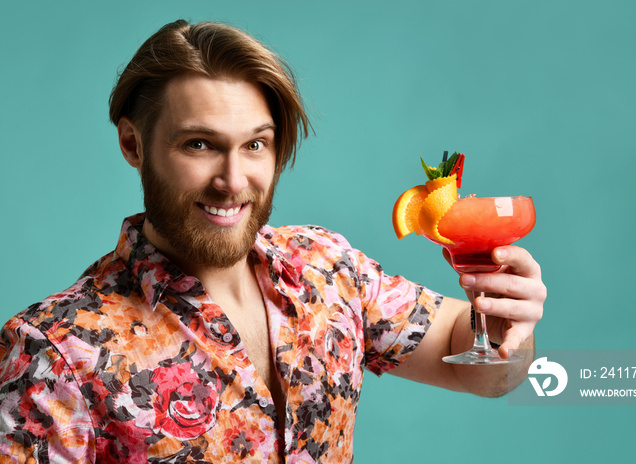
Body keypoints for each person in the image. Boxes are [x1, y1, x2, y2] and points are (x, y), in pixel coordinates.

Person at [0, 19, 546, 463]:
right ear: (132, 144)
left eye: (255, 145)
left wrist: (505, 329)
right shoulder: (53, 352)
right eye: (199, 145)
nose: (233, 181)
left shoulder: (328, 268)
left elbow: (488, 369)